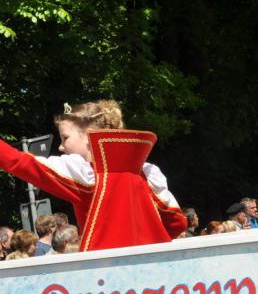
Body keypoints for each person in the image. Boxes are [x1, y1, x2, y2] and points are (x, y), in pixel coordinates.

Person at [0, 100, 186, 251]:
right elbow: (177, 223)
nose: (61, 147)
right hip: (156, 272)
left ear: (89, 136)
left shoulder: (87, 175)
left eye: (65, 138)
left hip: (106, 273)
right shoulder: (146, 172)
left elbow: (19, 162)